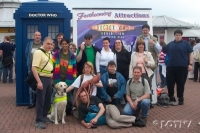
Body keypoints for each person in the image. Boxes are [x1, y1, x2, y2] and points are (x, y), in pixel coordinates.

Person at [77, 90, 146, 129]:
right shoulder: (81, 107)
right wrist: (85, 125)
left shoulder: (93, 98)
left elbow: (102, 108)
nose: (84, 97)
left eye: (85, 95)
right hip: (105, 117)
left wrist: (96, 118)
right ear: (80, 98)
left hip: (108, 108)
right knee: (113, 125)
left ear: (88, 95)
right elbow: (81, 119)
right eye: (82, 96)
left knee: (117, 117)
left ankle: (135, 119)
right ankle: (132, 123)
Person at [163, 29, 193, 105]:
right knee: (170, 84)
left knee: (180, 84)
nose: (178, 36)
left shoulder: (186, 44)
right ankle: (171, 97)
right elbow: (162, 50)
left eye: (179, 35)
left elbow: (191, 54)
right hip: (171, 67)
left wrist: (190, 64)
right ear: (174, 36)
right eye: (176, 35)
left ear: (181, 36)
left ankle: (180, 98)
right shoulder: (170, 44)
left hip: (182, 67)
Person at [32, 37, 54, 129]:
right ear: (43, 43)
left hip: (48, 78)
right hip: (41, 78)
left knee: (47, 100)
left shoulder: (48, 52)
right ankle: (39, 120)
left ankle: (44, 116)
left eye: (51, 44)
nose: (50, 46)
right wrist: (39, 82)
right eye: (48, 44)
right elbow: (34, 68)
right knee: (40, 100)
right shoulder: (38, 52)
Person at [25, 31, 42, 109]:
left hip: (41, 68)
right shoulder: (29, 44)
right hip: (31, 67)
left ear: (40, 37)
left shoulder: (43, 44)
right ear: (33, 36)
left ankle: (39, 102)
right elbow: (26, 54)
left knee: (40, 84)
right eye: (36, 35)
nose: (37, 36)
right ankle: (32, 102)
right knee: (31, 85)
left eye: (39, 35)